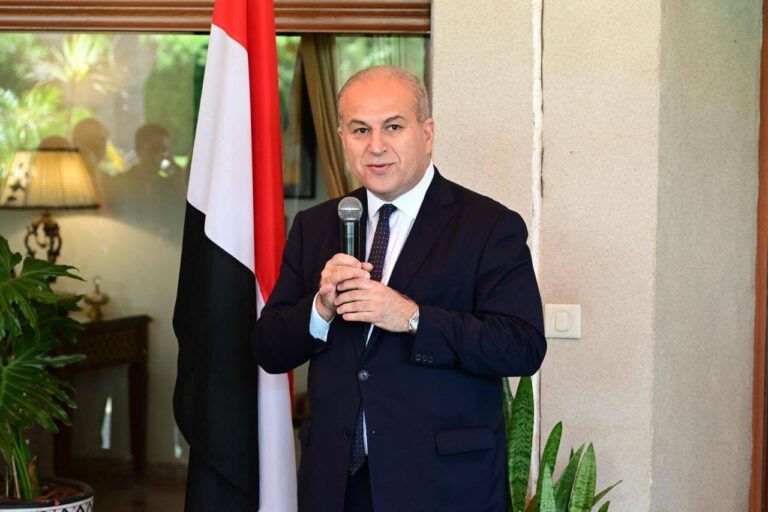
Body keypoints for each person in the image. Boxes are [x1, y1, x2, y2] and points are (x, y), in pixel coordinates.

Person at [252, 65, 546, 512]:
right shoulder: (316, 226)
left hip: (443, 488)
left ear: (427, 133)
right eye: (360, 130)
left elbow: (521, 347)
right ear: (342, 137)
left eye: (393, 127)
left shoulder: (489, 226)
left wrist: (412, 318)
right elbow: (269, 349)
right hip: (336, 486)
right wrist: (320, 309)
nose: (376, 146)